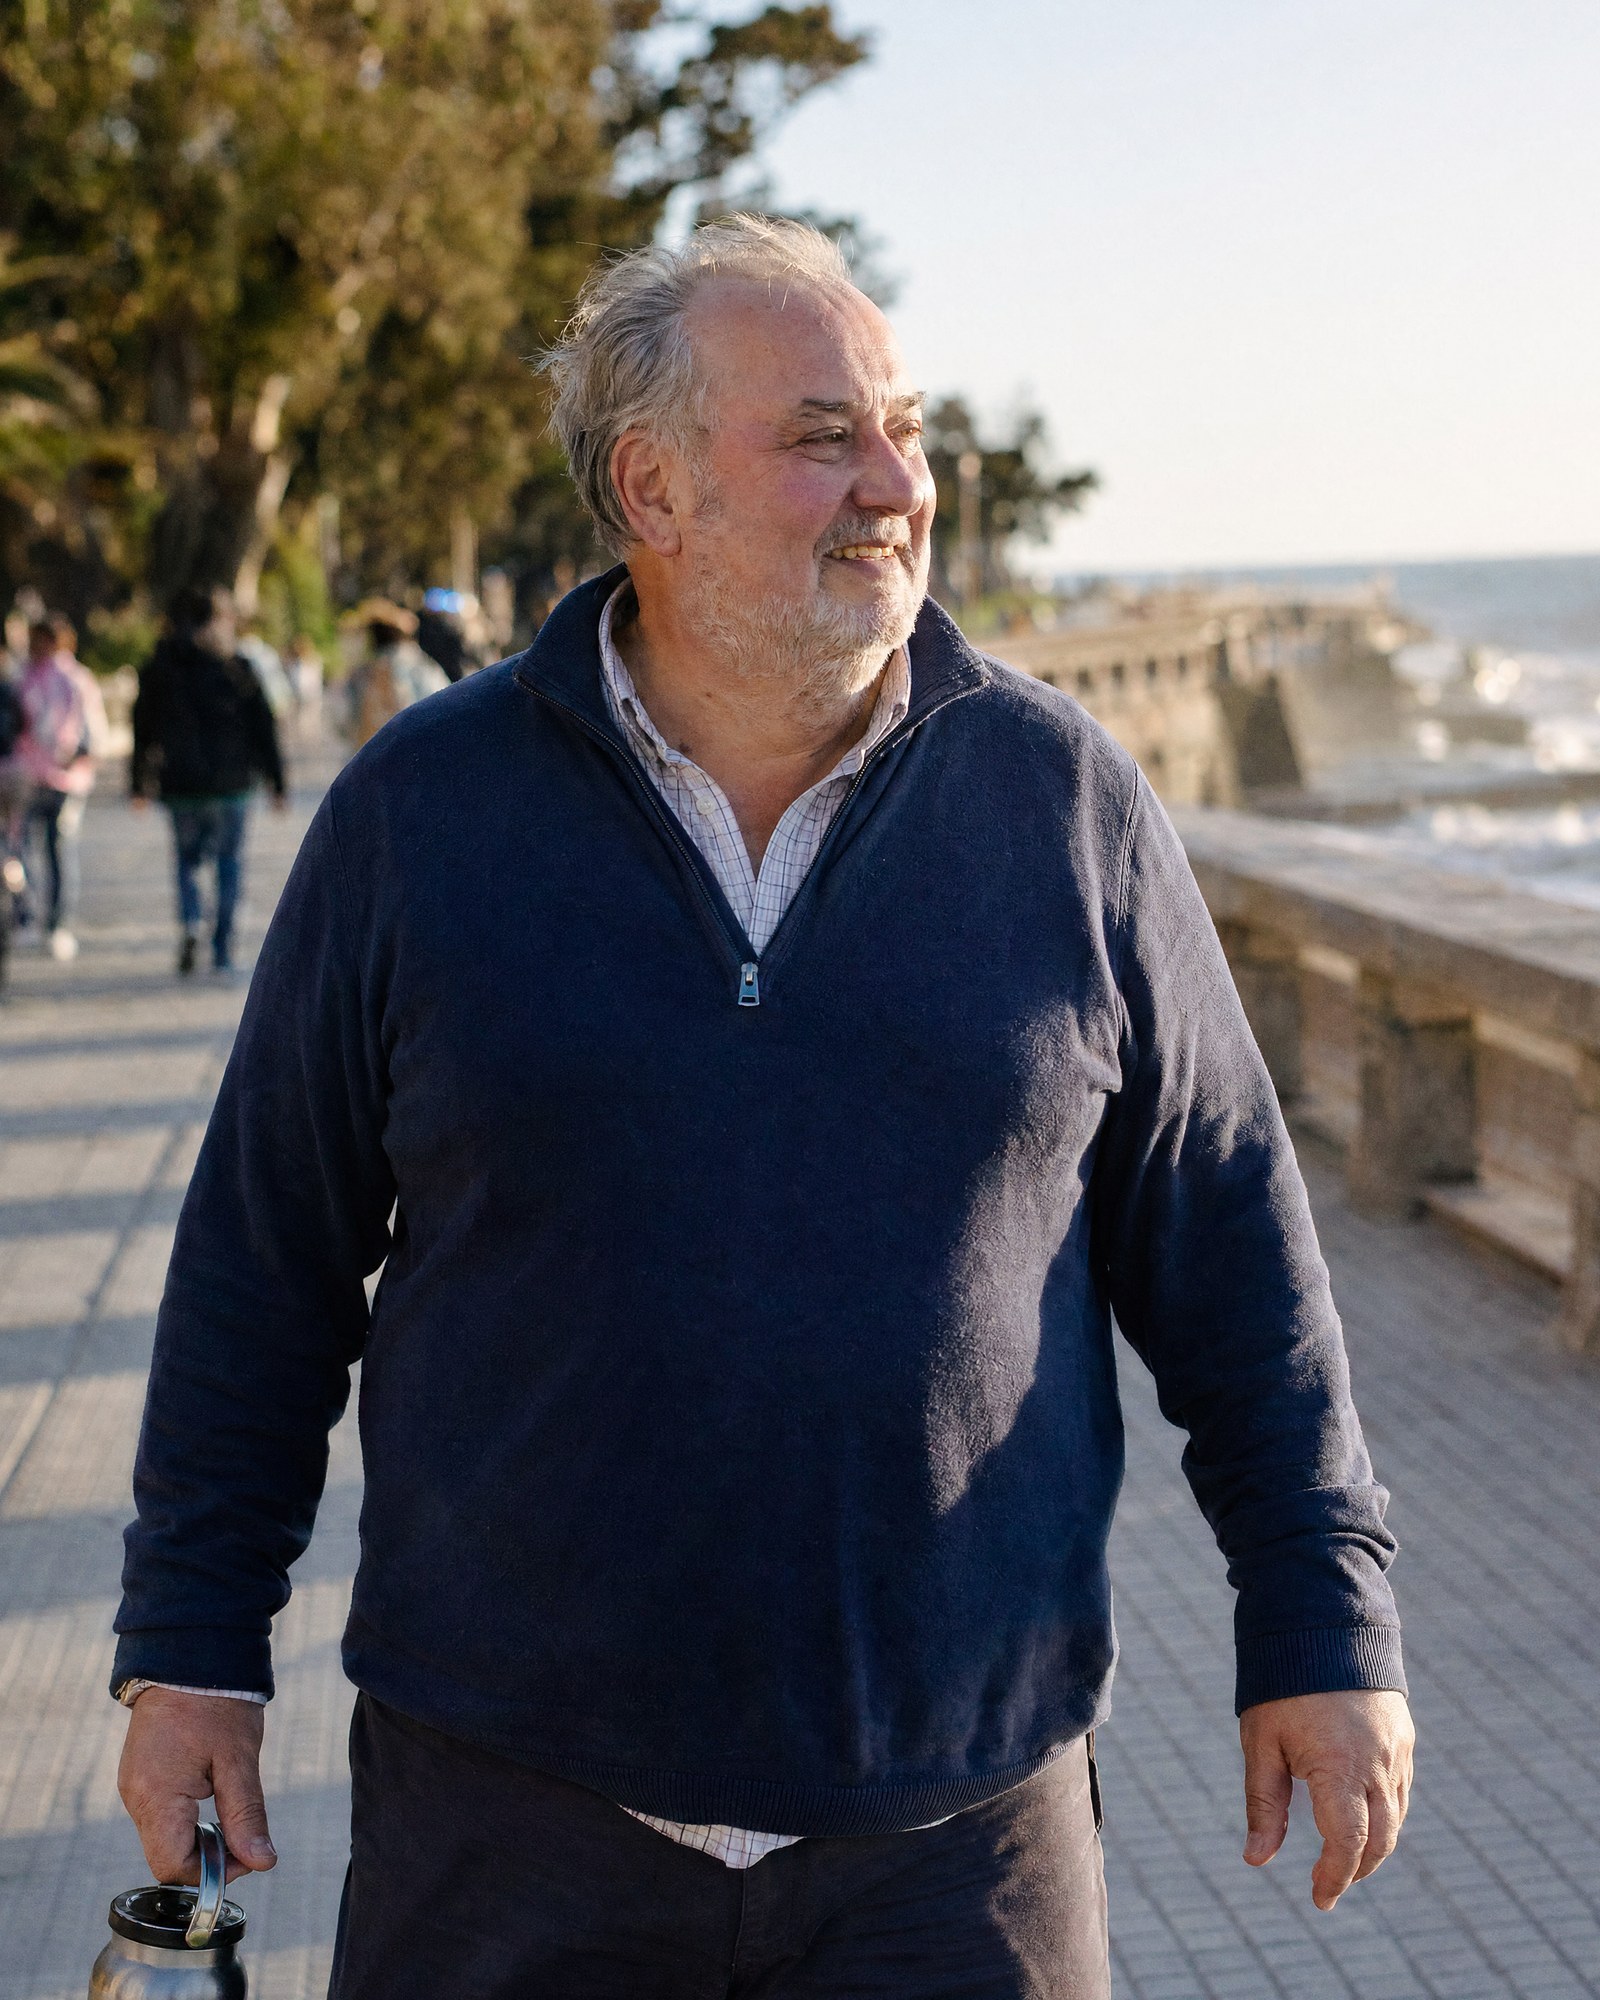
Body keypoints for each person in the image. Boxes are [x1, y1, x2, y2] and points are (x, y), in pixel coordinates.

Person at [112, 218, 1412, 1999]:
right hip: (505, 1825)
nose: (895, 485)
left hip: (960, 1843)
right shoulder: (421, 815)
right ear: (650, 488)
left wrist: (1324, 1617)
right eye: (822, 438)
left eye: (905, 431)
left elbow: (1239, 1247)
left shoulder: (1067, 805)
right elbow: (260, 1269)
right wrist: (192, 1650)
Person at [130, 585, 286, 979]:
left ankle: (191, 922)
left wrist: (138, 782)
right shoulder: (235, 666)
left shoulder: (160, 666)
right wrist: (277, 780)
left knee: (187, 861)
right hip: (231, 786)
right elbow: (263, 725)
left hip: (180, 785)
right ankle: (222, 947)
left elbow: (142, 728)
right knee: (228, 863)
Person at [9, 615, 107, 962]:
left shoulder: (72, 678)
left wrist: (77, 754)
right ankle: (32, 917)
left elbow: (92, 732)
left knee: (54, 851)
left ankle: (52, 922)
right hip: (30, 778)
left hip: (61, 779)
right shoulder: (23, 677)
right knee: (26, 850)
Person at [341, 599, 449, 748]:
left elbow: (344, 720)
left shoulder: (363, 672)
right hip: (416, 747)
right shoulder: (417, 664)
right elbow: (441, 702)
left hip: (371, 752)